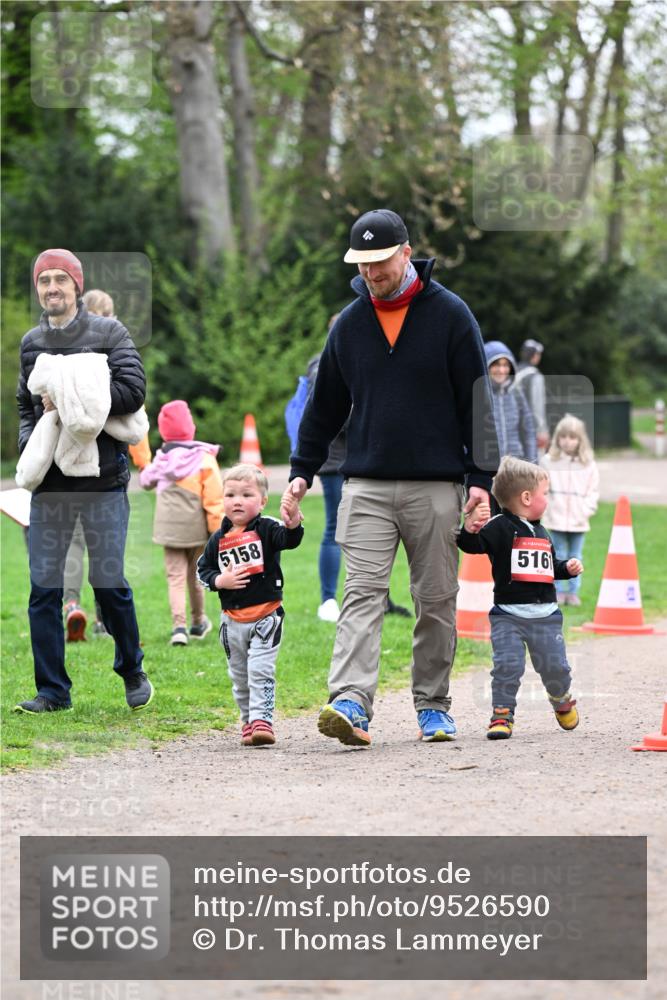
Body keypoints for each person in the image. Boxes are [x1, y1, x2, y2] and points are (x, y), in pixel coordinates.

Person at [287, 208, 499, 747]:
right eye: (363, 263)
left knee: (435, 598)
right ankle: (351, 702)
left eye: (380, 261)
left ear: (406, 253)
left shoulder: (451, 315)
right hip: (367, 485)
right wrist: (301, 471)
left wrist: (481, 476)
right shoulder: (352, 322)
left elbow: (478, 398)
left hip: (436, 483)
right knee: (361, 593)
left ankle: (433, 705)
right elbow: (325, 405)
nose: (372, 273)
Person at [13, 249, 153, 714]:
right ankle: (53, 691)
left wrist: (73, 395)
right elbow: (25, 405)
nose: (52, 287)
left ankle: (131, 668)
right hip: (50, 487)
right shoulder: (32, 342)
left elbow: (133, 391)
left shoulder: (110, 333)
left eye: (60, 279)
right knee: (44, 590)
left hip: (104, 482)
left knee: (108, 582)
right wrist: (30, 442)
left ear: (77, 285)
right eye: (44, 280)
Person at [457, 455, 582, 740]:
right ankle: (501, 716)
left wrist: (567, 568)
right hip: (507, 616)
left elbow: (549, 568)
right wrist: (469, 527)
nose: (547, 500)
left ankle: (561, 697)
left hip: (546, 616)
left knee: (556, 667)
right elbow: (471, 545)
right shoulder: (498, 527)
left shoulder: (541, 531)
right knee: (507, 666)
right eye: (545, 494)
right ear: (527, 497)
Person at [61, 288, 152, 641]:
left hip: (69, 464)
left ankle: (71, 604)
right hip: (108, 467)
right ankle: (103, 619)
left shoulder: (66, 345)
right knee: (107, 551)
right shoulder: (118, 348)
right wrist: (144, 460)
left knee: (73, 543)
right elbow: (133, 411)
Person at [306, 322, 410, 624]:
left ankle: (381, 598)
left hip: (369, 459)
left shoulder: (369, 359)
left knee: (377, 530)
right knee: (335, 528)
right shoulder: (322, 365)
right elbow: (326, 414)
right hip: (337, 461)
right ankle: (328, 600)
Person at [197, 464, 304, 747]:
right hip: (231, 622)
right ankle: (247, 721)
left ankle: (262, 721)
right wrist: (221, 580)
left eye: (246, 495)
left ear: (262, 501)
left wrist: (292, 522)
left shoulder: (267, 528)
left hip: (265, 617)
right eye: (230, 495)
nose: (237, 501)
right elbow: (202, 569)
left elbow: (289, 540)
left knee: (260, 670)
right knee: (240, 676)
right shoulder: (218, 539)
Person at [140, 399, 224, 644]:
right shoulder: (205, 459)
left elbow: (145, 481)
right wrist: (217, 533)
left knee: (175, 578)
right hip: (196, 530)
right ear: (191, 427)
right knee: (197, 576)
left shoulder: (162, 459)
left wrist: (145, 462)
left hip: (169, 529)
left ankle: (179, 628)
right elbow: (214, 500)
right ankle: (198, 622)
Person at [540, 414, 599, 607]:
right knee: (558, 554)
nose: (567, 441)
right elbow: (542, 488)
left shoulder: (588, 464)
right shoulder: (548, 461)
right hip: (555, 517)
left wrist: (586, 510)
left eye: (572, 437)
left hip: (578, 518)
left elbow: (593, 490)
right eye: (563, 437)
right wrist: (547, 509)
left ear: (580, 440)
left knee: (576, 556)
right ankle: (557, 590)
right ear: (557, 438)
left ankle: (573, 592)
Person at [485, 341, 537, 463]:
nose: (501, 370)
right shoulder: (477, 395)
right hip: (487, 468)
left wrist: (533, 463)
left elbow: (528, 430)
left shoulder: (517, 394)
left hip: (515, 464)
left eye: (505, 365)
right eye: (496, 365)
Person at [514, 338, 549, 451]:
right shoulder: (534, 375)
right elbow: (536, 406)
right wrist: (541, 430)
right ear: (534, 356)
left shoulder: (513, 373)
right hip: (530, 429)